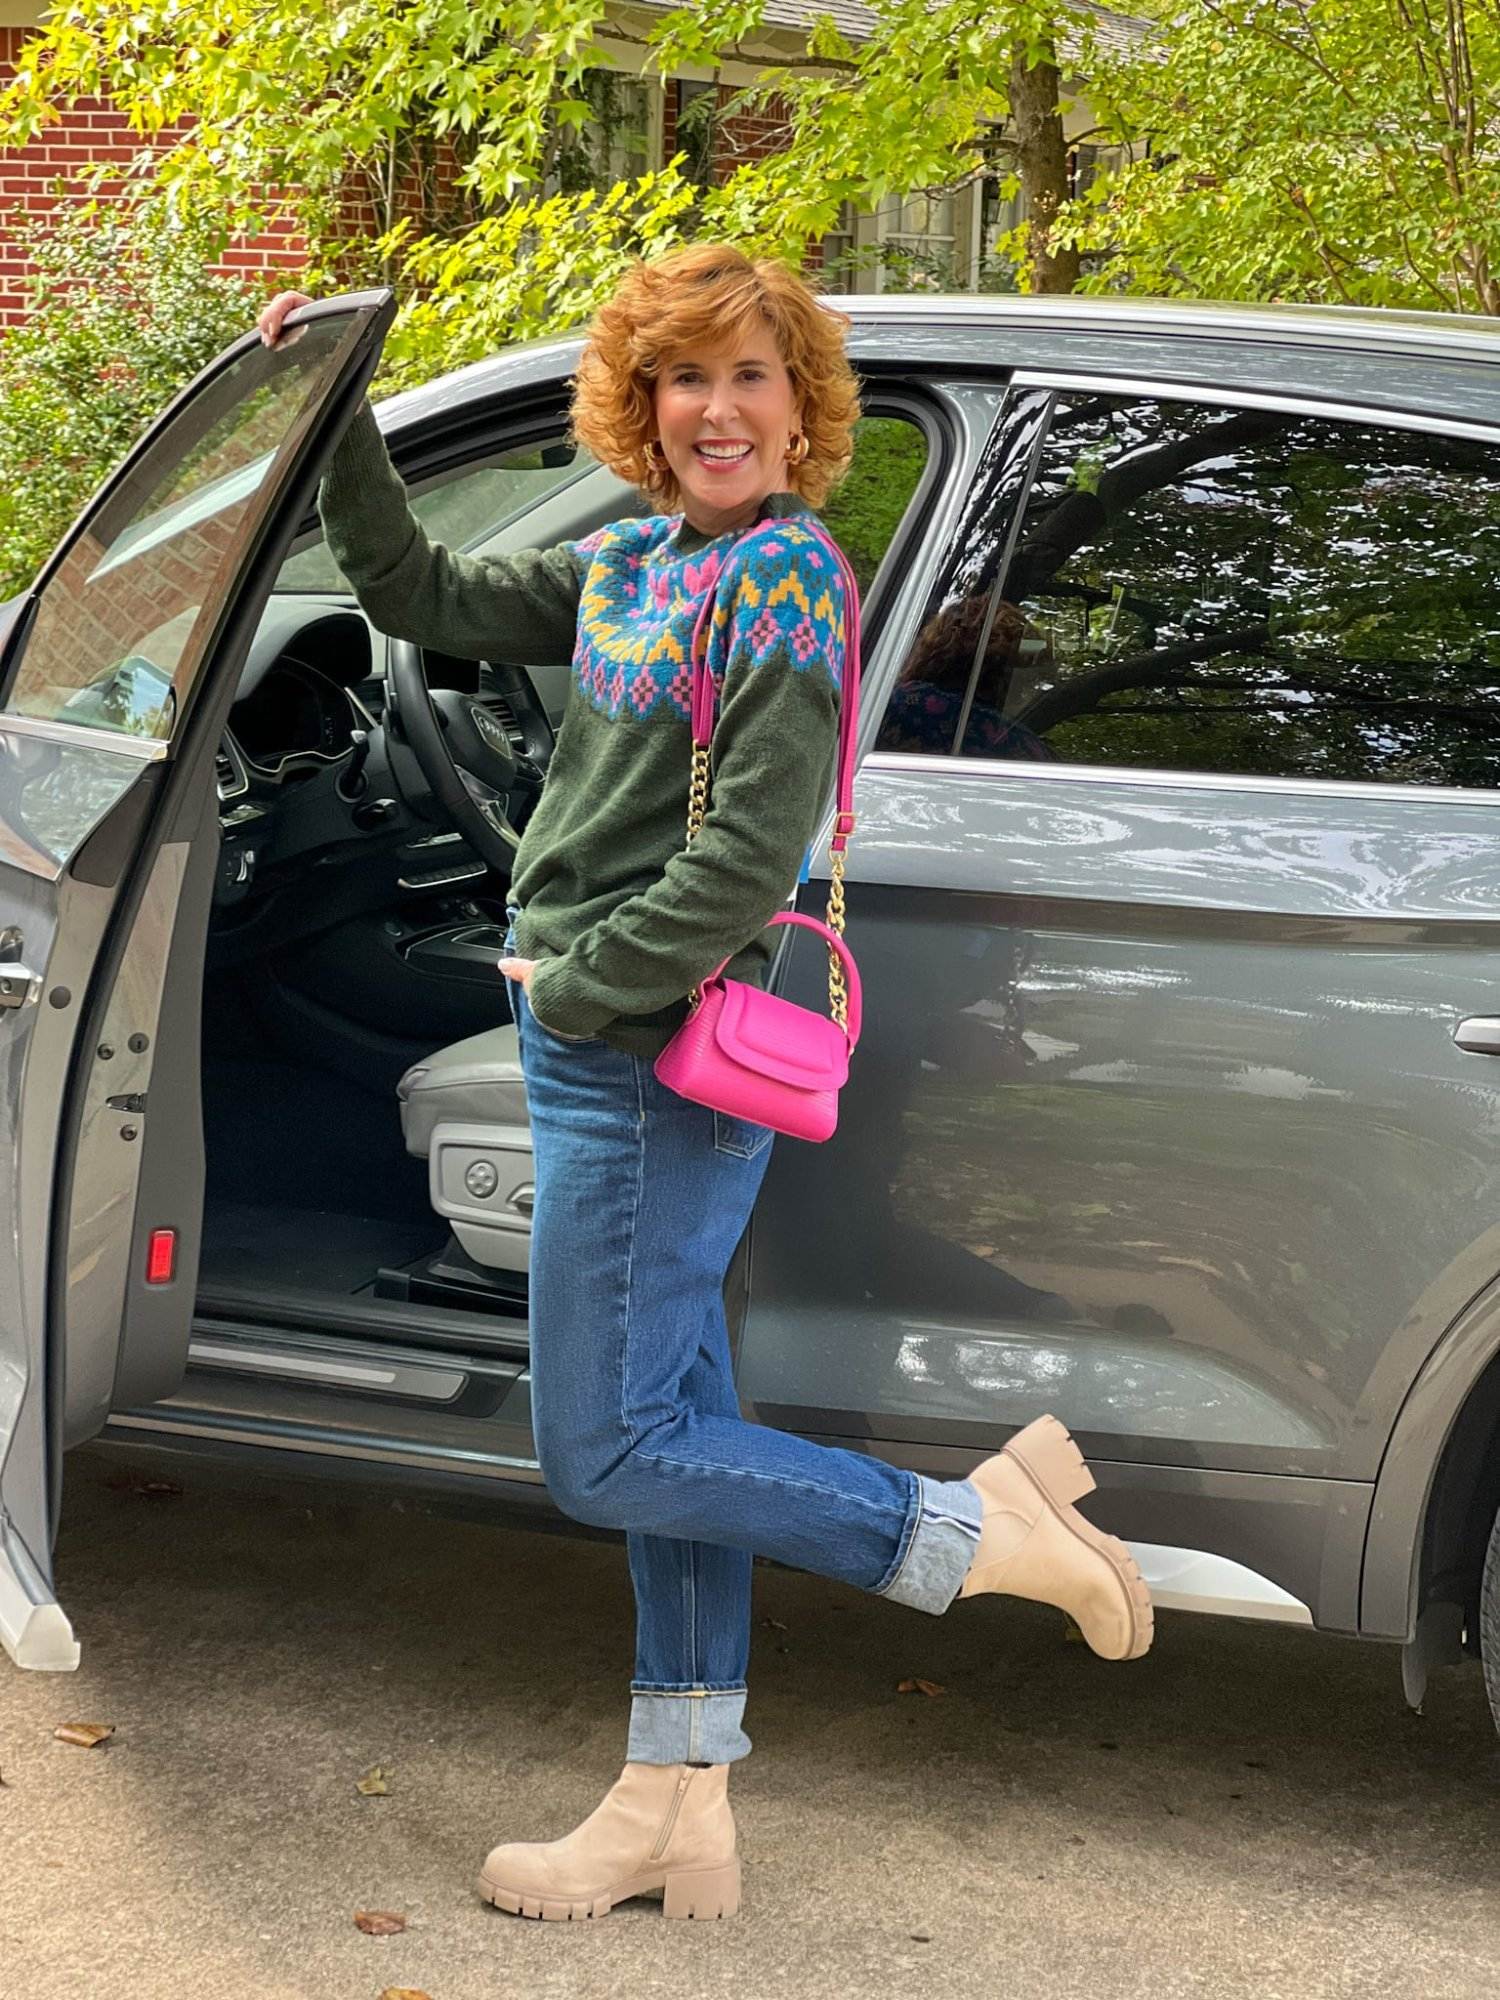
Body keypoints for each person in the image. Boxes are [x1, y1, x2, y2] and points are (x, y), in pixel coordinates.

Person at [259, 245, 1153, 1926]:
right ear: (645, 407)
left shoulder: (787, 580)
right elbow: (425, 597)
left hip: (650, 1050)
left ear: (800, 404)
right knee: (680, 1425)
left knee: (607, 1453)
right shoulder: (638, 558)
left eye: (752, 377)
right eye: (687, 379)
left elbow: (749, 850)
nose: (719, 409)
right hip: (602, 1031)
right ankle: (676, 1810)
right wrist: (339, 419)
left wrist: (584, 985)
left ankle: (977, 1534)